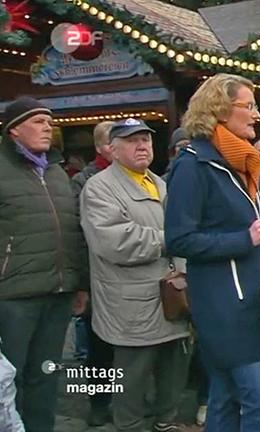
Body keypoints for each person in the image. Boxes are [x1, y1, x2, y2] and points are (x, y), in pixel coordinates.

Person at [164, 73, 260, 432]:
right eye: (249, 106)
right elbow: (180, 240)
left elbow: (258, 241)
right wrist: (242, 239)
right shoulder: (193, 165)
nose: (256, 114)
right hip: (222, 307)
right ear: (221, 110)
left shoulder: (242, 163)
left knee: (225, 399)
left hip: (251, 303)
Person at [80, 118, 192, 432]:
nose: (142, 146)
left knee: (174, 367)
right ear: (112, 150)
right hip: (131, 304)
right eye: (132, 141)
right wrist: (172, 238)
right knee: (133, 377)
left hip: (173, 297)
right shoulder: (99, 187)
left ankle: (165, 423)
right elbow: (116, 241)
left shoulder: (159, 182)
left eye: (146, 140)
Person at [0, 96, 87, 432]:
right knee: (11, 380)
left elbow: (73, 230)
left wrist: (80, 283)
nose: (48, 127)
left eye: (50, 121)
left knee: (46, 376)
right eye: (38, 121)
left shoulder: (56, 172)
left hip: (58, 292)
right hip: (14, 296)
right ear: (14, 130)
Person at [70, 120, 118, 427]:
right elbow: (78, 233)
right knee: (99, 345)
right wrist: (82, 283)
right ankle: (99, 402)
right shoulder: (84, 181)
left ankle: (129, 398)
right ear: (102, 148)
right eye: (116, 141)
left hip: (131, 278)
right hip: (97, 274)